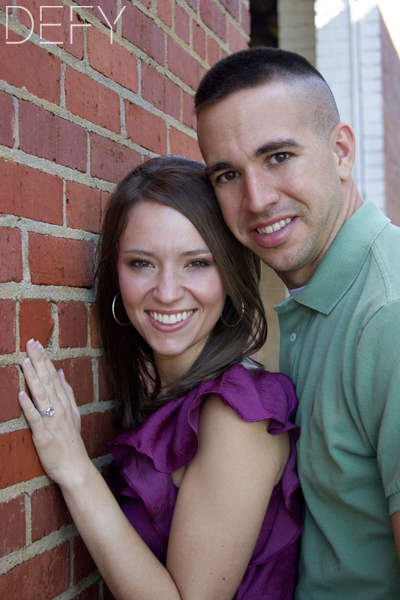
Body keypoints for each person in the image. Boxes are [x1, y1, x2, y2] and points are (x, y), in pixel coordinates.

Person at [19, 156, 302, 600]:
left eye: (197, 263)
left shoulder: (238, 418)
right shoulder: (169, 391)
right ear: (117, 274)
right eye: (141, 263)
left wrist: (74, 468)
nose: (167, 292)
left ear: (229, 274)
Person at [194, 47, 400, 599]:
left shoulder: (388, 317)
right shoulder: (318, 299)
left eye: (279, 156)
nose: (257, 199)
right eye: (228, 174)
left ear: (341, 151)